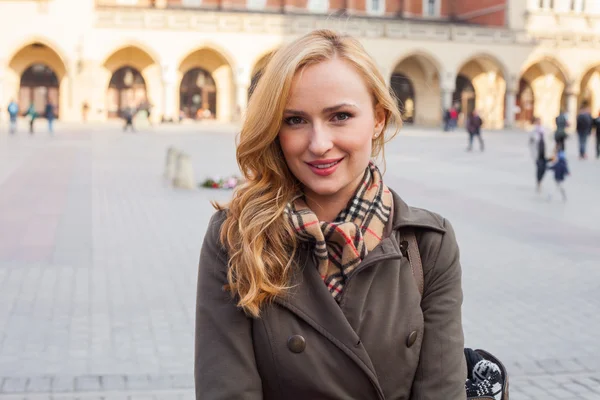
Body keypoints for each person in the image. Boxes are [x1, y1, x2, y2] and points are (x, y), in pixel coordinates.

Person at [195, 29, 466, 399]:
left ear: (379, 119)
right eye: (295, 120)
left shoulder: (427, 245)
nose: (319, 144)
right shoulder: (237, 236)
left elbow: (442, 391)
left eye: (340, 116)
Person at [529, 117, 549, 194]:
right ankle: (538, 182)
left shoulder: (545, 130)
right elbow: (530, 143)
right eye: (537, 122)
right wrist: (532, 153)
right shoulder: (533, 132)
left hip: (545, 153)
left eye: (540, 121)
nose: (539, 123)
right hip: (537, 154)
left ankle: (540, 180)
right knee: (539, 168)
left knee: (544, 168)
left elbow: (550, 141)